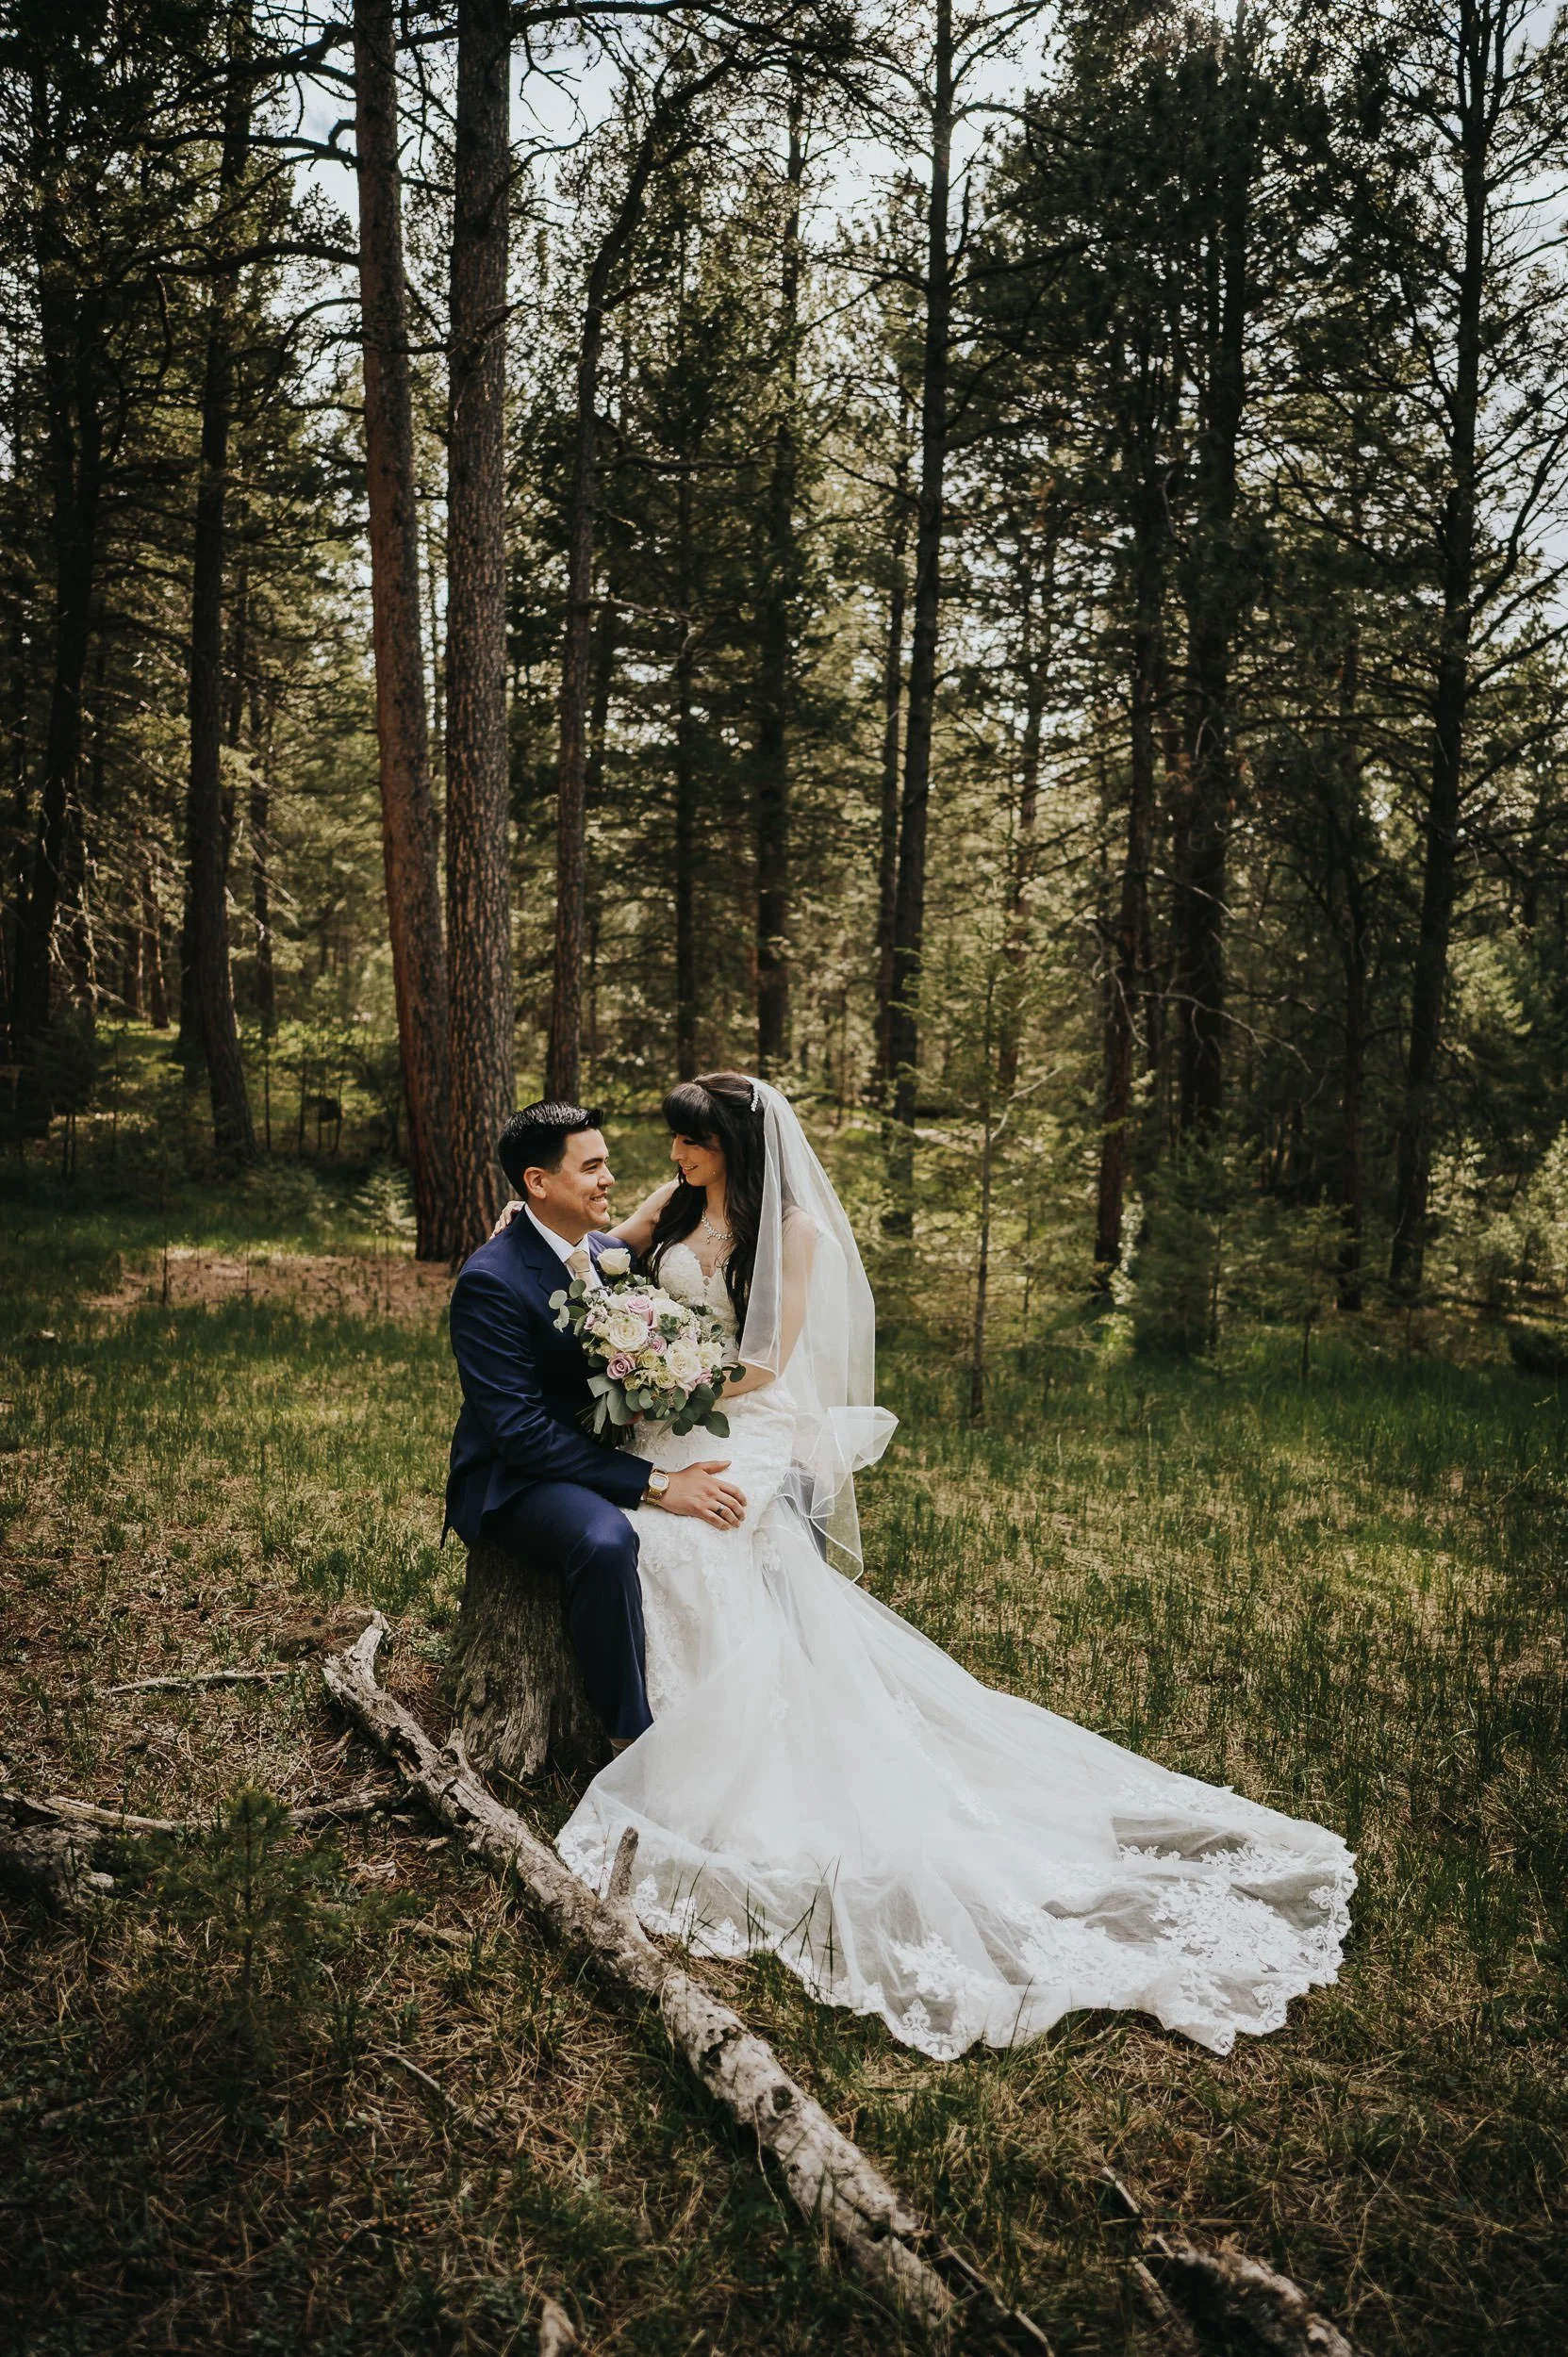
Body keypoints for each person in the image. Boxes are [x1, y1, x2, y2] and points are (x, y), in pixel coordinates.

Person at [542, 1072, 1357, 2060]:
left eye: (695, 1143)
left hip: (738, 1418)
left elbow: (769, 1363)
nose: (677, 1157)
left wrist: (679, 1379)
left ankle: (696, 1745)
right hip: (662, 1420)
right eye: (675, 1142)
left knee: (695, 1536)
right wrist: (609, 1320)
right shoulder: (669, 1205)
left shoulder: (790, 1230)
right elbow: (600, 1257)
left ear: (737, 1146)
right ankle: (652, 1722)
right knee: (647, 1527)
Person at [444, 1100, 750, 1751]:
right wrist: (660, 1485)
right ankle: (629, 1740)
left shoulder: (608, 1253)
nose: (609, 1178)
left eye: (606, 1162)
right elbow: (519, 1435)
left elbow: (659, 1230)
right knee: (607, 1541)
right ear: (537, 1182)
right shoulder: (489, 1281)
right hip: (514, 1478)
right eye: (592, 1167)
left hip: (599, 1445)